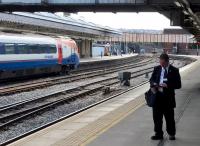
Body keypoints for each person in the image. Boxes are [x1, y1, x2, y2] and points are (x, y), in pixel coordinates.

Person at [150, 53, 182, 140]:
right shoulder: (157, 69)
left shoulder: (174, 70)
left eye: (163, 64)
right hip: (157, 97)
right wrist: (154, 84)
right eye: (160, 63)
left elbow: (178, 85)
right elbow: (151, 80)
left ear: (168, 62)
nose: (162, 65)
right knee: (157, 117)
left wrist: (167, 85)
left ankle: (171, 133)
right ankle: (158, 133)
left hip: (168, 98)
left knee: (169, 117)